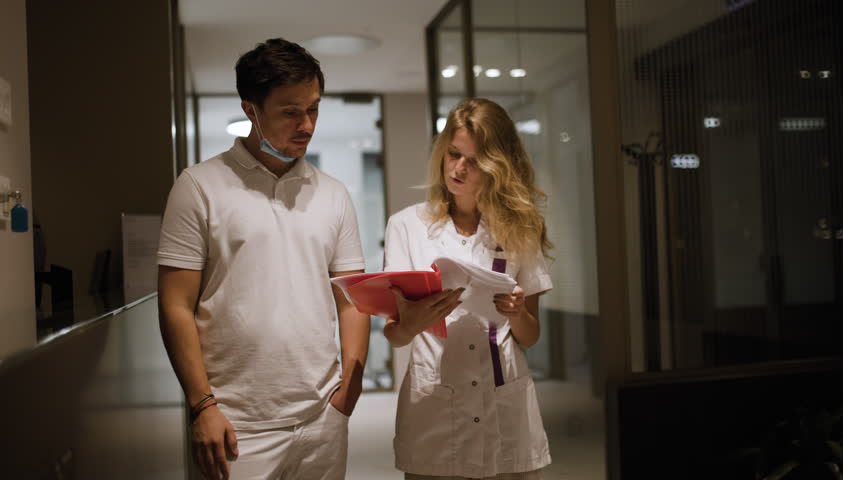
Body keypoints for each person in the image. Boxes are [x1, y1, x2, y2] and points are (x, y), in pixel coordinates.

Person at [157, 38, 370, 480]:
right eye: (290, 112)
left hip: (322, 418)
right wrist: (202, 405)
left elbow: (352, 299)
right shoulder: (198, 186)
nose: (307, 124)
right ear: (251, 110)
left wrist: (350, 383)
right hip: (236, 424)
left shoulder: (333, 194)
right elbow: (176, 305)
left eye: (313, 108)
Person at [383, 98, 554, 479]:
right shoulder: (406, 226)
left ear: (498, 166)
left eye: (474, 161)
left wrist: (517, 313)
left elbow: (531, 335)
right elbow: (395, 335)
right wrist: (412, 321)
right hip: (435, 410)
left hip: (505, 407)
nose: (459, 168)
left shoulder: (520, 229)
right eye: (454, 154)